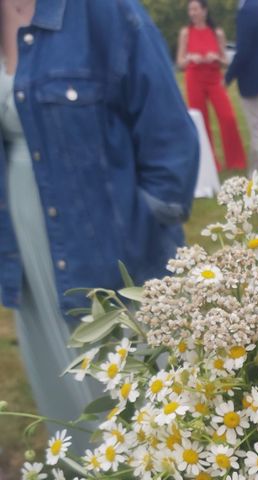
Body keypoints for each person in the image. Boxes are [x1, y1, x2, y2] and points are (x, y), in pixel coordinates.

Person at [0, 0, 198, 447]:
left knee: (148, 426)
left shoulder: (106, 13)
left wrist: (136, 243)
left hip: (112, 263)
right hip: (26, 257)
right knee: (69, 420)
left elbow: (172, 148)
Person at [177, 0, 247, 172]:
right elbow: (179, 62)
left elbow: (225, 61)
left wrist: (215, 57)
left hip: (214, 78)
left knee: (228, 117)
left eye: (195, 9)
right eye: (190, 10)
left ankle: (235, 161)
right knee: (201, 121)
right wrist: (190, 58)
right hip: (194, 78)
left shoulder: (217, 33)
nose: (192, 13)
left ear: (204, 11)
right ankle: (209, 164)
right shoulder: (186, 33)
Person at [225, 0, 258, 177]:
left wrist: (227, 77)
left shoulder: (246, 11)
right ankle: (253, 174)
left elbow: (243, 50)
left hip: (252, 81)